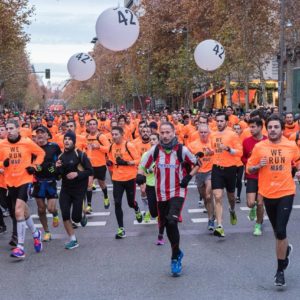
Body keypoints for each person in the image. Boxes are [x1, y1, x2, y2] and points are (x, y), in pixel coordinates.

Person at [138, 122, 199, 276]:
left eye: (167, 132)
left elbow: (198, 163)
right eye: (162, 133)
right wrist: (140, 175)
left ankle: (174, 259)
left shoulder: (182, 150)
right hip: (161, 193)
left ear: (173, 133)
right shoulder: (155, 150)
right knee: (166, 224)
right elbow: (143, 164)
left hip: (177, 192)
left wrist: (188, 177)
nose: (165, 136)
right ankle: (177, 252)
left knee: (172, 221)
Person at [247, 114, 300, 287]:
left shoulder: (291, 145)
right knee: (278, 234)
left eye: (276, 127)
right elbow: (249, 167)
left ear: (282, 129)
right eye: (270, 127)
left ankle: (280, 271)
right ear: (266, 129)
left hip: (286, 191)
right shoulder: (260, 147)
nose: (273, 130)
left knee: (281, 229)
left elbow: (298, 161)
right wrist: (257, 166)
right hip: (268, 193)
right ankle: (285, 252)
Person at [0, 119, 45, 259]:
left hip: (25, 180)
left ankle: (20, 247)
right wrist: (2, 163)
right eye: (7, 128)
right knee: (23, 212)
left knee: (18, 210)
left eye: (12, 128)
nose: (10, 131)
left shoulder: (27, 142)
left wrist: (35, 166)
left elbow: (41, 154)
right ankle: (36, 233)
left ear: (18, 129)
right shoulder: (2, 144)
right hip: (10, 181)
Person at [56, 131, 93, 249]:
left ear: (74, 141)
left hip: (79, 190)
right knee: (65, 214)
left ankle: (81, 216)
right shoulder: (60, 157)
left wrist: (76, 174)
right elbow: (58, 176)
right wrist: (56, 168)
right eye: (65, 139)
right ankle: (73, 239)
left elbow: (90, 171)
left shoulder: (80, 155)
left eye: (69, 139)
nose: (66, 141)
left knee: (75, 218)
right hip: (66, 189)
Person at [210, 112, 242, 237]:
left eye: (221, 121)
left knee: (231, 197)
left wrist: (229, 149)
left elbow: (239, 152)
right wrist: (208, 152)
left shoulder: (233, 135)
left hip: (230, 169)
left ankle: (232, 209)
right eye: (217, 121)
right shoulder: (213, 135)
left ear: (226, 122)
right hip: (217, 168)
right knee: (217, 196)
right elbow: (213, 150)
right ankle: (219, 225)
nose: (219, 123)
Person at [107, 126, 143, 239]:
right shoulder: (111, 146)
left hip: (130, 178)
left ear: (122, 134)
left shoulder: (129, 145)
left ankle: (136, 209)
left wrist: (126, 163)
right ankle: (121, 229)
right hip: (117, 178)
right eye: (112, 134)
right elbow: (112, 161)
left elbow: (139, 160)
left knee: (130, 203)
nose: (114, 137)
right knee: (117, 203)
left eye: (116, 134)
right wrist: (109, 163)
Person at [32, 126, 61, 242]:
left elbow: (60, 160)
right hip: (38, 182)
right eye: (37, 133)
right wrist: (34, 168)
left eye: (42, 132)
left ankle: (55, 213)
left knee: (50, 208)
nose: (39, 134)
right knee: (41, 209)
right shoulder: (32, 147)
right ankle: (47, 232)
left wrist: (55, 169)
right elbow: (28, 162)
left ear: (47, 135)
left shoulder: (54, 147)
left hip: (50, 181)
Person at [242, 118, 267, 236]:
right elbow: (242, 158)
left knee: (260, 203)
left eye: (253, 127)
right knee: (251, 203)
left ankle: (258, 225)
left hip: (265, 176)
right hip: (251, 175)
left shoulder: (268, 141)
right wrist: (251, 162)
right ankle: (253, 208)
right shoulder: (246, 142)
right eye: (249, 127)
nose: (250, 129)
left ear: (260, 127)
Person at [139, 132, 165, 244]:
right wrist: (143, 179)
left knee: (162, 211)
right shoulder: (146, 155)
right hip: (150, 184)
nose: (152, 141)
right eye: (151, 139)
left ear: (159, 141)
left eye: (154, 139)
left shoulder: (164, 154)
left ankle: (161, 234)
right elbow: (141, 169)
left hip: (163, 185)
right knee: (154, 212)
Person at [188, 124, 215, 231]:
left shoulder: (213, 143)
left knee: (208, 196)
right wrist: (194, 158)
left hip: (211, 171)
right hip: (199, 173)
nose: (203, 134)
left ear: (209, 132)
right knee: (205, 198)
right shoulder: (192, 145)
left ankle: (211, 219)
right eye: (201, 132)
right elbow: (188, 159)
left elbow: (219, 154)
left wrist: (212, 152)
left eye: (205, 132)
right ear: (198, 133)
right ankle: (211, 213)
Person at [85, 119, 110, 212]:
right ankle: (89, 205)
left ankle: (106, 196)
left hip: (100, 164)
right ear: (88, 126)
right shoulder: (86, 137)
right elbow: (84, 148)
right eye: (90, 124)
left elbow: (108, 149)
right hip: (89, 165)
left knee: (101, 183)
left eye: (93, 124)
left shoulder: (101, 136)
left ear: (96, 126)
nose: (92, 126)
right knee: (89, 184)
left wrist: (98, 147)